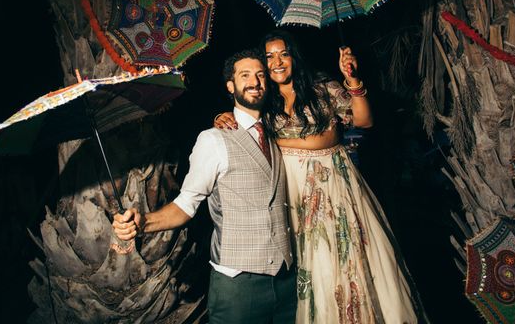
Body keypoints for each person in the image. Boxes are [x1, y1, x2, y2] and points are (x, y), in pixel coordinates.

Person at [214, 30, 423, 324]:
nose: (276, 62)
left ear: (293, 57)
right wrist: (223, 117)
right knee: (304, 262)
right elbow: (246, 126)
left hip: (330, 186)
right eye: (269, 56)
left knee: (337, 258)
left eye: (283, 53)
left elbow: (363, 120)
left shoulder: (321, 86)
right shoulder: (265, 98)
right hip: (290, 189)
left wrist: (352, 80)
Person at [113, 48, 297, 324]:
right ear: (230, 85)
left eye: (260, 75)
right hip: (238, 286)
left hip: (286, 282)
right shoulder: (213, 140)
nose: (255, 82)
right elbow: (185, 206)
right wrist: (142, 224)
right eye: (245, 75)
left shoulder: (276, 133)